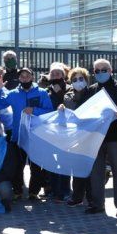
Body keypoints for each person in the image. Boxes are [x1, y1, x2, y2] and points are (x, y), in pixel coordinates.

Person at [0, 67, 53, 199]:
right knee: (17, 166)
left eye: (27, 76)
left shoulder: (42, 93)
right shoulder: (13, 93)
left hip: (36, 136)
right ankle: (17, 191)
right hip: (18, 135)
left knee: (36, 166)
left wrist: (34, 110)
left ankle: (33, 192)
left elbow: (49, 111)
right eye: (22, 76)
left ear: (32, 77)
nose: (24, 78)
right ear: (19, 78)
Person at [83, 59, 117, 217]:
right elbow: (83, 112)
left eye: (104, 70)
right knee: (96, 172)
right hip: (96, 137)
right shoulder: (90, 90)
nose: (101, 73)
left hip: (116, 137)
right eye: (97, 71)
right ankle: (98, 204)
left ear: (111, 71)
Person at [63, 67, 93, 207]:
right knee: (77, 168)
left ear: (86, 80)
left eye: (81, 79)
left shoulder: (93, 93)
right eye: (74, 80)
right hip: (74, 136)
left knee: (91, 169)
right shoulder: (68, 96)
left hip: (90, 135)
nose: (78, 82)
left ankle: (92, 198)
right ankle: (77, 197)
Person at [47, 62, 71, 202]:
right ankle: (54, 190)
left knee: (64, 162)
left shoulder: (69, 88)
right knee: (52, 162)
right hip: (50, 131)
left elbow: (70, 104)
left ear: (63, 75)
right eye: (53, 73)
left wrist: (60, 93)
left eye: (58, 73)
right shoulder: (46, 90)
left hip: (65, 131)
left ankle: (65, 190)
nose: (55, 75)